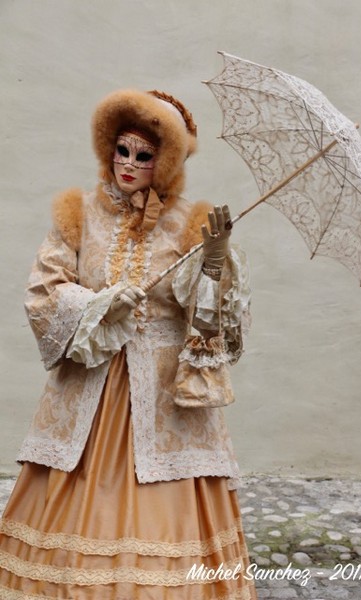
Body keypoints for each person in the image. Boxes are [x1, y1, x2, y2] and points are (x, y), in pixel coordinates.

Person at [0, 89, 256, 599]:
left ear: (165, 163)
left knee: (167, 497)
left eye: (144, 155)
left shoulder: (189, 223)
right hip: (89, 388)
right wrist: (98, 304)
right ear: (107, 148)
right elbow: (44, 291)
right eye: (122, 150)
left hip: (164, 396)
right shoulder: (79, 213)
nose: (129, 163)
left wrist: (213, 263)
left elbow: (211, 321)